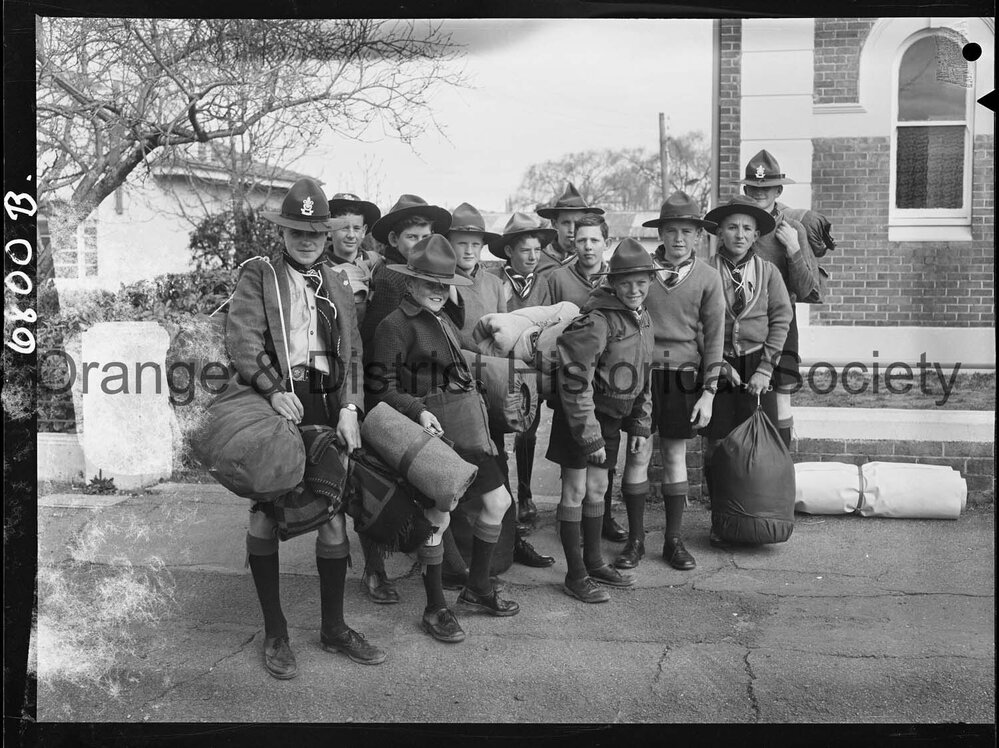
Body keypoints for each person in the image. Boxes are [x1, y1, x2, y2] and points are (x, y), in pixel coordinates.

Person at [229, 177, 386, 678]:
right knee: (265, 515)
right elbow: (243, 340)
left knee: (333, 514)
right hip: (276, 403)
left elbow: (355, 353)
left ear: (325, 232)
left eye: (314, 231)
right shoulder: (260, 276)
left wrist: (351, 408)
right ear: (284, 232)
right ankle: (276, 633)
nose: (307, 239)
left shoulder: (337, 281)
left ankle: (334, 628)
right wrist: (274, 389)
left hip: (326, 403)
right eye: (297, 231)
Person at [369, 234, 521, 643]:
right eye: (429, 282)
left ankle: (476, 589)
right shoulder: (394, 326)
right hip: (430, 434)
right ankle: (436, 608)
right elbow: (379, 388)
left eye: (444, 282)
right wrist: (418, 410)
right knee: (439, 518)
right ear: (410, 281)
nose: (438, 290)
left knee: (499, 501)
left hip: (467, 428)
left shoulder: (442, 319)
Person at [446, 202, 555, 574]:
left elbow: (503, 334)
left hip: (490, 386)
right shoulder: (440, 281)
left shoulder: (493, 283)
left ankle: (506, 542)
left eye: (474, 243)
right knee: (460, 467)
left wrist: (501, 371)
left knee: (498, 459)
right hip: (455, 388)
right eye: (461, 243)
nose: (468, 251)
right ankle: (458, 555)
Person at [355, 193, 453, 605]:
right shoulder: (394, 280)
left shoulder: (429, 281)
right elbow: (380, 340)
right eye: (412, 237)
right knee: (379, 484)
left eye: (426, 236)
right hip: (387, 392)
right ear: (394, 240)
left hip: (418, 394)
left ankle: (426, 556)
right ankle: (375, 567)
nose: (420, 244)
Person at [548, 238, 654, 602]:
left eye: (642, 282)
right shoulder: (597, 319)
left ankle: (594, 562)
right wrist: (588, 435)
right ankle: (575, 574)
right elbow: (575, 380)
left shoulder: (642, 318)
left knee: (598, 490)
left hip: (609, 418)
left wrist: (640, 421)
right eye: (627, 282)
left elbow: (643, 373)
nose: (635, 289)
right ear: (613, 282)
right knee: (575, 491)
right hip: (580, 418)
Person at [638, 192, 725, 571]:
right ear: (661, 234)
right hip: (639, 376)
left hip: (682, 378)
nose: (678, 239)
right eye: (671, 231)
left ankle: (673, 540)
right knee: (638, 452)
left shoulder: (707, 277)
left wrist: (708, 392)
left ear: (698, 237)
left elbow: (715, 337)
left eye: (686, 232)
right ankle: (635, 539)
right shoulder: (640, 272)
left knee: (674, 455)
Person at [702, 196, 792, 546]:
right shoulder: (706, 271)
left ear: (756, 236)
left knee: (759, 444)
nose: (739, 235)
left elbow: (782, 318)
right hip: (719, 361)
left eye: (747, 229)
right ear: (720, 232)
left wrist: (766, 367)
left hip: (757, 363)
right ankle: (722, 520)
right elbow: (698, 323)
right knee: (719, 445)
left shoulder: (768, 272)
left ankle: (757, 519)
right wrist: (717, 363)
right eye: (732, 227)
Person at [544, 213, 630, 545]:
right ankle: (572, 521)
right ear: (572, 242)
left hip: (609, 382)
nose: (588, 246)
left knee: (603, 459)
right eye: (581, 240)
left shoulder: (617, 278)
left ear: (605, 243)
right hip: (573, 380)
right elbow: (548, 329)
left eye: (594, 240)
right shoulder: (558, 279)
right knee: (574, 458)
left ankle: (604, 518)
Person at [737, 150, 822, 449]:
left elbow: (808, 289)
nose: (759, 193)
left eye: (767, 188)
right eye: (754, 188)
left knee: (780, 403)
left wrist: (793, 250)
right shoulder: (737, 227)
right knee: (739, 402)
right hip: (741, 328)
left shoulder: (792, 229)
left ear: (778, 190)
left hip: (781, 325)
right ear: (746, 190)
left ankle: (781, 471)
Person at [325, 192, 382, 325]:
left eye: (356, 228)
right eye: (344, 228)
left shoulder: (376, 264)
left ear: (364, 230)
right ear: (329, 229)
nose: (351, 235)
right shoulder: (321, 268)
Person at [535, 181, 604, 275]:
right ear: (554, 223)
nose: (572, 229)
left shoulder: (594, 259)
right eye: (566, 223)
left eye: (577, 223)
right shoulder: (538, 257)